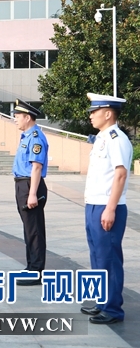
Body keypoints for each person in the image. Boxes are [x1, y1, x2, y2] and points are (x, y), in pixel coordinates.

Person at [80, 93, 132, 324]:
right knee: (97, 256)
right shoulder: (102, 138)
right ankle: (102, 301)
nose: (91, 115)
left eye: (95, 111)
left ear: (108, 113)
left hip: (107, 206)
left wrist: (110, 209)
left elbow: (120, 174)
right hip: (93, 204)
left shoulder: (116, 138)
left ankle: (113, 309)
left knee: (109, 258)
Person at [12, 99, 48, 286]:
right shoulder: (26, 136)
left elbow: (36, 167)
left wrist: (32, 193)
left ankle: (36, 271)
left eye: (17, 116)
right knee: (29, 229)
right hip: (23, 185)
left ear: (27, 117)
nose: (15, 119)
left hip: (30, 185)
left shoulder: (35, 137)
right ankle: (31, 265)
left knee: (34, 230)